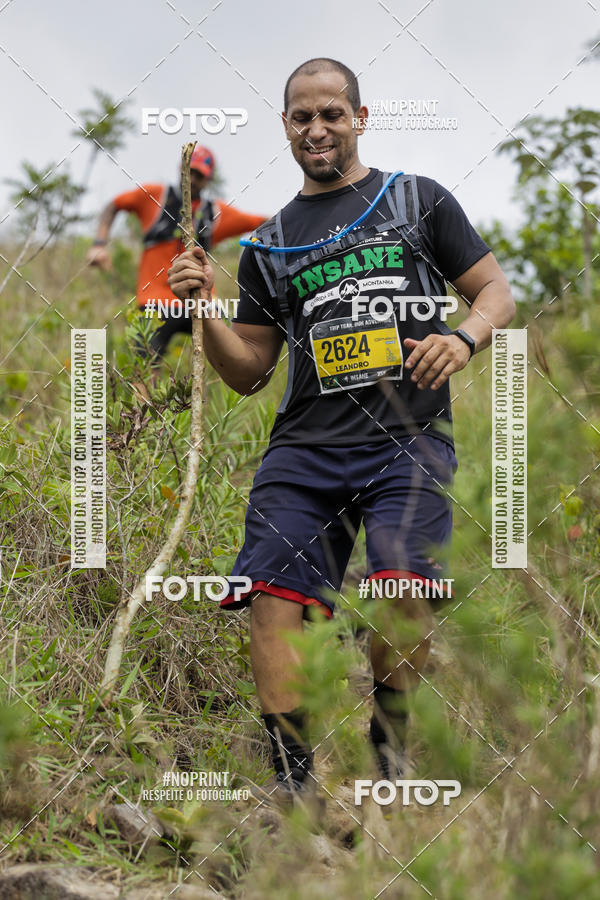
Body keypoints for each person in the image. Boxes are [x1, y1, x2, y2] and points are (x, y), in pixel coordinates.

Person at [168, 58, 516, 807]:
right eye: (302, 117)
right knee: (270, 597)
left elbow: (495, 291)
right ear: (286, 126)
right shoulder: (270, 243)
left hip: (409, 443)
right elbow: (250, 371)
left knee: (402, 592)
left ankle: (389, 760)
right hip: (304, 452)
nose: (317, 128)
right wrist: (204, 312)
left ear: (360, 117)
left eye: (332, 113)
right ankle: (292, 788)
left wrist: (464, 338)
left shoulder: (416, 200)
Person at [87, 145, 267, 360]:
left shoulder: (216, 213)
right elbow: (114, 205)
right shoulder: (155, 197)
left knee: (226, 359)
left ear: (208, 180)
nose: (191, 179)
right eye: (188, 171)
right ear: (180, 169)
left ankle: (205, 393)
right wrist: (99, 244)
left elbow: (261, 222)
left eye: (198, 175)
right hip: (155, 300)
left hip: (201, 300)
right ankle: (144, 394)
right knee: (144, 368)